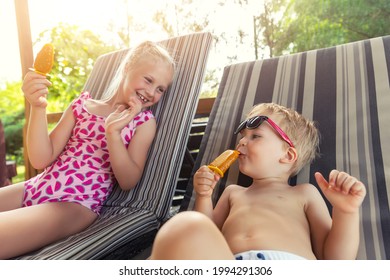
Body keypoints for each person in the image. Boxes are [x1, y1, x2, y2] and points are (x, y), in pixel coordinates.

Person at [0, 41, 175, 259]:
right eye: (148, 80)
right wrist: (38, 106)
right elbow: (40, 159)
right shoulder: (82, 105)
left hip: (75, 204)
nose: (151, 92)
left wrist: (113, 134)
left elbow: (128, 180)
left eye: (160, 89)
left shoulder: (143, 122)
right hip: (38, 185)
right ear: (128, 67)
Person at [150, 103, 366, 260]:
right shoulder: (233, 193)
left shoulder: (304, 193)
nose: (242, 141)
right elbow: (206, 233)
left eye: (255, 136)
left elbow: (336, 261)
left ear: (288, 156)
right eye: (243, 136)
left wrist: (345, 212)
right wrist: (204, 196)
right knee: (182, 228)